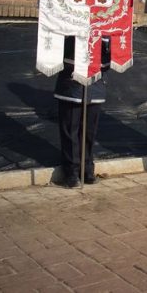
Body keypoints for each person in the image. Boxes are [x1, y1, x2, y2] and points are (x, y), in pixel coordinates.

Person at [54, 35, 110, 188]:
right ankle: (71, 172)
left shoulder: (105, 26)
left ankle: (87, 169)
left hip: (95, 84)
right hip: (72, 84)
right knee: (70, 131)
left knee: (89, 132)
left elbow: (110, 58)